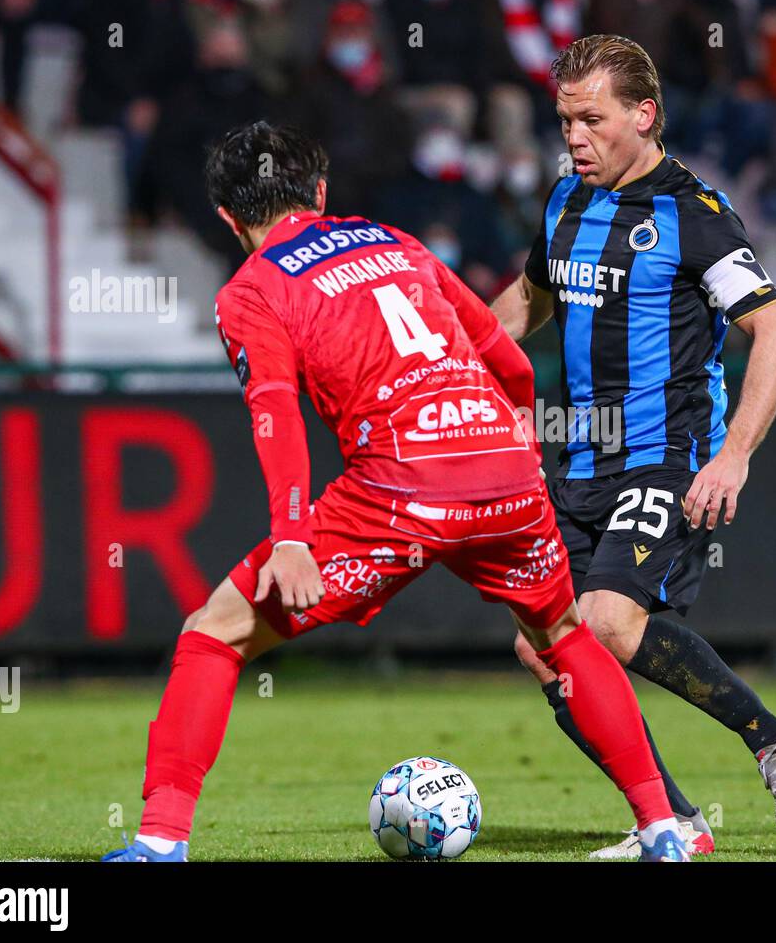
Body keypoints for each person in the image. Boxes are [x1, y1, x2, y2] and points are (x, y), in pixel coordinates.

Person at [101, 121, 689, 862]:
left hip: (400, 487)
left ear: (227, 218)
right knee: (563, 635)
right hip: (505, 470)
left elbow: (275, 409)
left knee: (214, 634)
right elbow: (508, 360)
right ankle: (664, 830)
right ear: (319, 192)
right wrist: (522, 458)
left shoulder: (252, 289)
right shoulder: (395, 242)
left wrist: (290, 536)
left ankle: (159, 844)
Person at [490, 34, 776, 859]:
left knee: (601, 621)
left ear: (643, 116)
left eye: (591, 119)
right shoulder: (567, 199)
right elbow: (526, 302)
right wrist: (444, 353)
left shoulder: (694, 216)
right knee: (541, 647)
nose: (573, 136)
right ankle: (674, 823)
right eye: (564, 118)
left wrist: (734, 453)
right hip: (580, 462)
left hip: (667, 458)